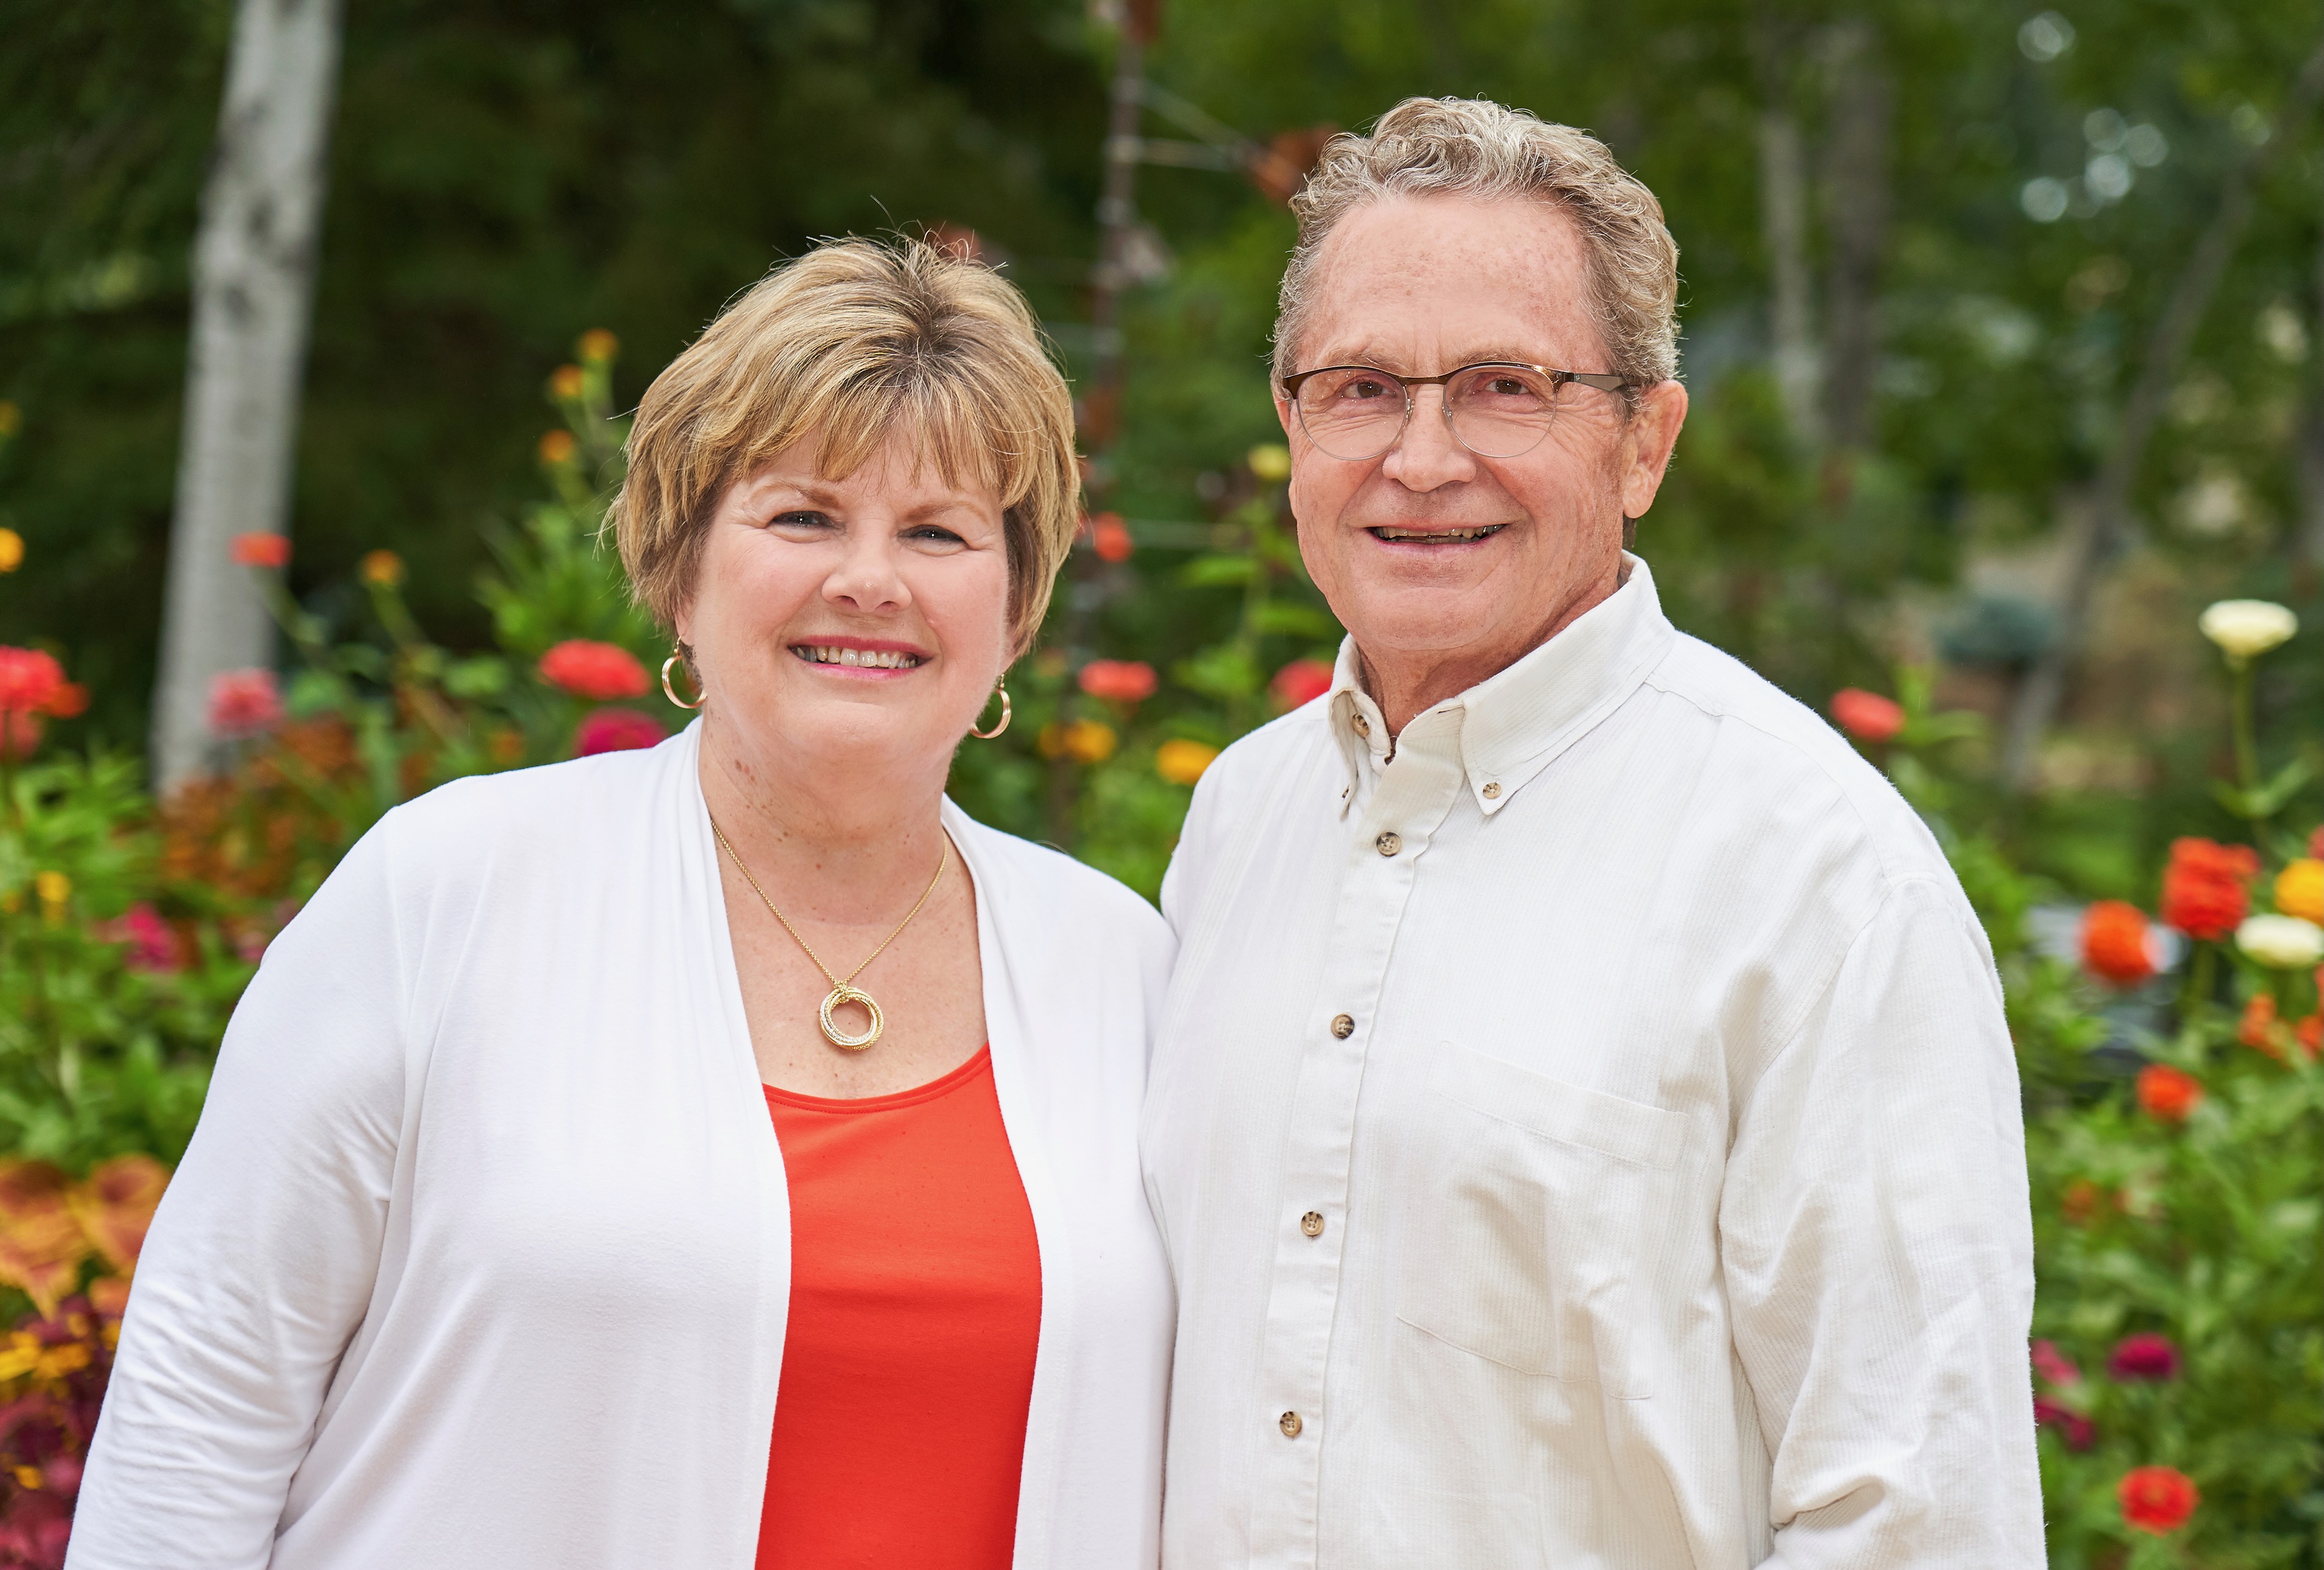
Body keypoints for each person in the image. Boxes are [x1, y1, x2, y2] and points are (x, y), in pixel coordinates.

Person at [69, 239, 1175, 1570]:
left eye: (936, 532)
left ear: (1013, 611)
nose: (870, 579)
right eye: (803, 515)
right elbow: (205, 1389)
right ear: (680, 572)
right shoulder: (449, 892)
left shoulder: (1119, 966)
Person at [1141, 97, 2042, 1566]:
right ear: (1291, 428)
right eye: (1362, 387)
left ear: (1643, 442)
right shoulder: (1239, 814)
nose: (1421, 458)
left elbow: (1912, 1509)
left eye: (1505, 385)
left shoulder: (1817, 878)